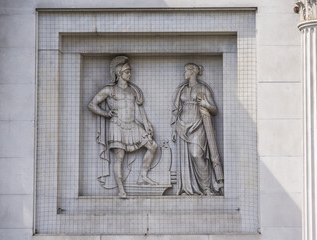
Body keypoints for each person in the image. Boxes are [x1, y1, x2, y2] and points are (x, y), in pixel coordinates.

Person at [88, 56, 158, 198]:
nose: (129, 74)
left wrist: (146, 124)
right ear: (119, 73)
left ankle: (143, 175)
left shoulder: (133, 91)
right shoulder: (109, 90)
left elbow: (139, 109)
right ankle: (121, 189)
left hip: (132, 125)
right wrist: (106, 113)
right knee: (119, 156)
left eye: (130, 71)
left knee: (153, 146)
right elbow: (91, 104)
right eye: (127, 71)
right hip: (117, 125)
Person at [171, 63, 224, 195]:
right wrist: (174, 129)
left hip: (198, 124)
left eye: (186, 71)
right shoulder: (182, 90)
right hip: (182, 125)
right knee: (186, 157)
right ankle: (187, 187)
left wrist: (206, 104)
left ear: (192, 72)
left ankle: (206, 188)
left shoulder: (203, 88)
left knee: (196, 154)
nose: (184, 74)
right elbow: (176, 111)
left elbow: (214, 109)